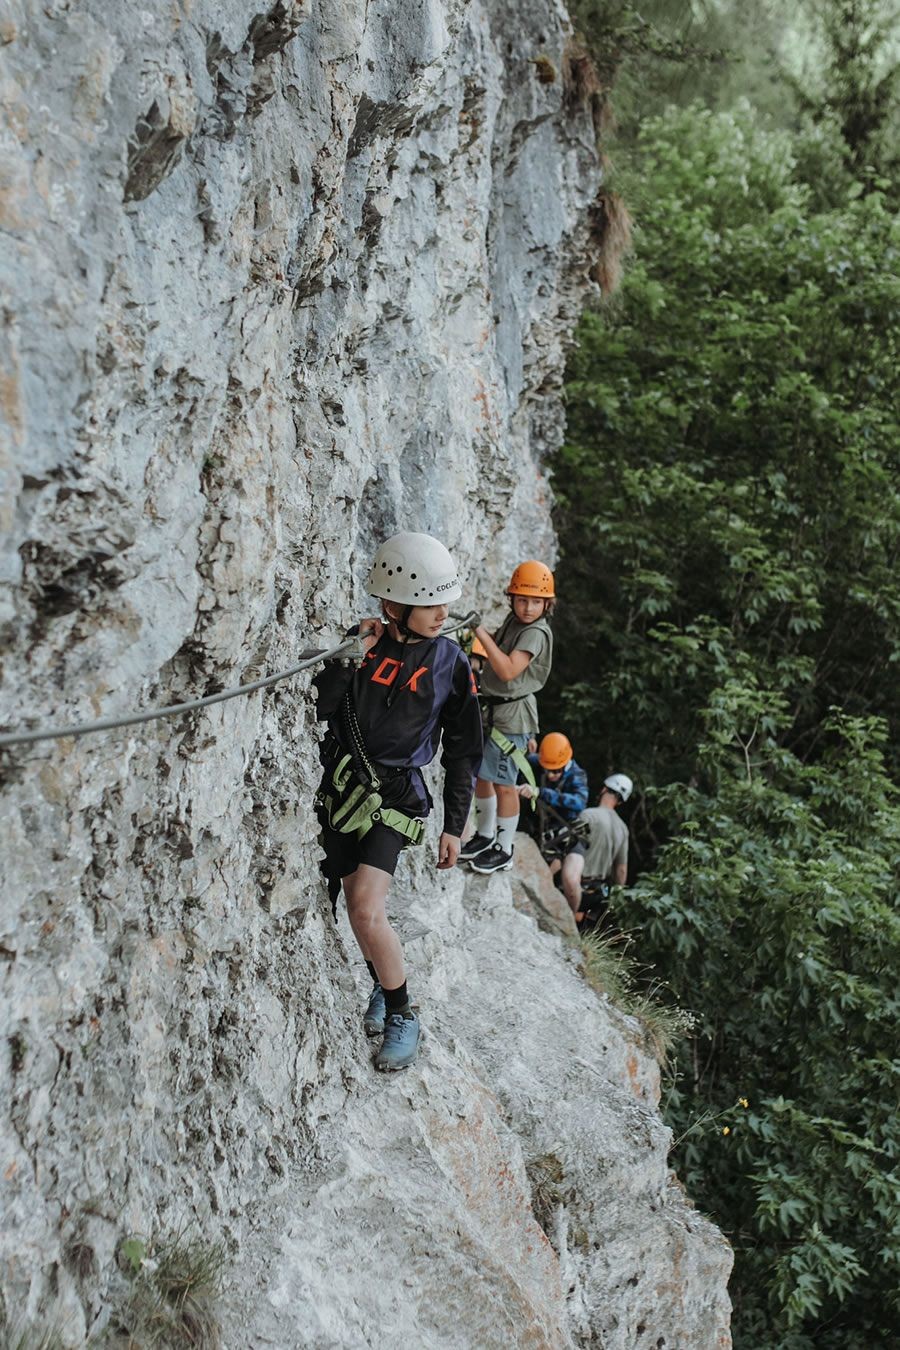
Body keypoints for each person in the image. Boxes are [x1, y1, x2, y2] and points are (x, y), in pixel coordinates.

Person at [314, 532, 483, 1072]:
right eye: (429, 603)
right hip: (346, 789)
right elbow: (324, 709)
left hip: (397, 797)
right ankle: (385, 989)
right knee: (356, 911)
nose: (441, 613)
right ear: (393, 605)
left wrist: (454, 825)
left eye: (444, 601)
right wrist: (346, 659)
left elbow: (463, 749)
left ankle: (403, 1014)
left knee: (366, 907)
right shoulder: (363, 646)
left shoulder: (451, 662)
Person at [459, 560, 555, 874]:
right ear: (512, 599)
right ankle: (485, 836)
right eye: (523, 599)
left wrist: (478, 630)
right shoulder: (515, 623)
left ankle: (504, 848)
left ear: (546, 604)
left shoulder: (535, 633)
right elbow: (492, 651)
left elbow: (507, 669)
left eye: (536, 602)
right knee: (484, 777)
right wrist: (475, 657)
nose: (528, 608)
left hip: (513, 716)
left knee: (504, 784)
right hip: (495, 709)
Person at [561, 773, 633, 926]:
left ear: (605, 789)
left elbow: (567, 848)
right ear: (620, 801)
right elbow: (621, 870)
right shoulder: (623, 829)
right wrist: (616, 897)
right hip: (597, 895)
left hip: (575, 889)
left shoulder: (588, 815)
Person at [520, 732, 589, 867]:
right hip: (538, 828)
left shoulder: (577, 775)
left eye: (556, 771)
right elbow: (518, 762)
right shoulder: (538, 761)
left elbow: (579, 802)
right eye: (547, 770)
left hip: (563, 832)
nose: (551, 775)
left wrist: (541, 792)